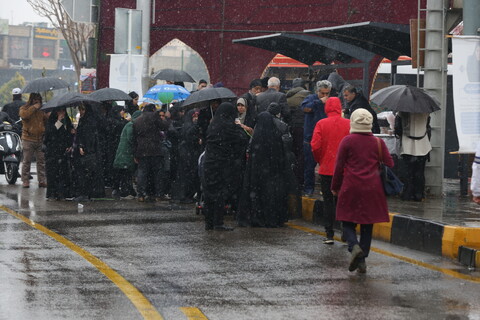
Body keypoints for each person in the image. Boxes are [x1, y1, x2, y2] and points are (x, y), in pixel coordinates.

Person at [332, 108, 393, 273]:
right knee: (367, 224)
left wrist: (335, 187)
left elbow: (338, 167)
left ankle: (354, 247)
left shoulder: (347, 141)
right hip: (373, 188)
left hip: (351, 186)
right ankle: (363, 258)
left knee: (347, 221)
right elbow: (390, 163)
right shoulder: (378, 143)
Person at [237, 112, 289, 228]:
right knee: (271, 195)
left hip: (257, 177)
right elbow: (281, 157)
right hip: (273, 177)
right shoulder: (275, 136)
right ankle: (271, 218)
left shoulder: (257, 137)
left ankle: (257, 217)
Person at [203, 102, 248, 231]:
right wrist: (239, 127)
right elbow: (242, 139)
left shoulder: (212, 125)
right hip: (221, 164)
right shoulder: (228, 126)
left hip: (209, 163)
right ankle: (218, 222)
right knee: (219, 194)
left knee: (209, 193)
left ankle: (209, 222)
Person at [310, 97, 350, 244]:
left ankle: (329, 233)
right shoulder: (348, 124)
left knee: (328, 201)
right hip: (345, 170)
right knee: (343, 202)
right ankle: (346, 233)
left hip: (326, 169)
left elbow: (315, 146)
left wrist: (321, 159)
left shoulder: (321, 124)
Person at [132, 104, 170, 202]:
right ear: (153, 109)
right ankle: (158, 194)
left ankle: (141, 194)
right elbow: (164, 127)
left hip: (141, 150)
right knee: (157, 173)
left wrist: (135, 153)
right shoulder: (155, 117)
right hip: (155, 149)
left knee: (142, 172)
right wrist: (165, 119)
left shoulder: (137, 120)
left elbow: (134, 138)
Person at [301, 80, 331, 195]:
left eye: (327, 93)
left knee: (326, 166)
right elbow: (305, 108)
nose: (325, 96)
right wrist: (319, 102)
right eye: (322, 93)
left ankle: (325, 189)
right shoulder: (310, 99)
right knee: (309, 166)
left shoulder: (331, 101)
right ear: (317, 91)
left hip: (326, 138)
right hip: (310, 138)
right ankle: (309, 189)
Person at [395, 112, 431, 201]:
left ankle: (407, 194)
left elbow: (398, 130)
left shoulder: (401, 113)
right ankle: (419, 194)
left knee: (408, 173)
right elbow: (427, 128)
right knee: (420, 172)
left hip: (407, 146)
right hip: (423, 145)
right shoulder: (426, 113)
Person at [172, 109, 203, 203]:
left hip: (190, 153)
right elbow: (188, 136)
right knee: (187, 175)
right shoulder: (188, 125)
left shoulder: (190, 125)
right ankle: (185, 195)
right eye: (194, 116)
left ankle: (188, 194)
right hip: (187, 153)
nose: (196, 118)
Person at [44, 108, 75, 200]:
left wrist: (70, 142)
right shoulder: (51, 122)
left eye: (63, 112)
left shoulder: (67, 121)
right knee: (53, 173)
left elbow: (68, 133)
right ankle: (52, 193)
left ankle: (64, 193)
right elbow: (50, 133)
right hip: (52, 151)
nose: (62, 114)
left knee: (64, 173)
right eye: (60, 112)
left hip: (63, 151)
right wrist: (58, 121)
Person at [19, 92, 48, 188]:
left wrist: (47, 113)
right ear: (31, 99)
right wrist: (34, 107)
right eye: (35, 99)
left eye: (38, 99)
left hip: (40, 138)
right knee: (27, 161)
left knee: (41, 161)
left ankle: (42, 180)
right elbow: (24, 115)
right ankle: (25, 180)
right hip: (28, 139)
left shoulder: (42, 110)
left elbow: (46, 120)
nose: (37, 101)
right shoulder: (24, 108)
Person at [72, 104, 100, 201]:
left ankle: (84, 194)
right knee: (87, 172)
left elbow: (87, 136)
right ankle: (88, 193)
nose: (81, 111)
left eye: (82, 109)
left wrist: (81, 146)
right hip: (90, 151)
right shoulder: (88, 119)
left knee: (84, 172)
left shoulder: (87, 121)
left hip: (87, 151)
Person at [113, 110, 142, 199]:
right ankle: (125, 192)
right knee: (126, 174)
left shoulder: (130, 125)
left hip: (124, 154)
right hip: (126, 154)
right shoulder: (131, 125)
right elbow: (131, 139)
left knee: (124, 174)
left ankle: (125, 191)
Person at [286, 78, 310, 187]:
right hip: (302, 126)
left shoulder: (288, 96)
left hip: (291, 127)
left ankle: (292, 177)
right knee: (302, 153)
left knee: (293, 151)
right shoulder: (306, 94)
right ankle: (300, 178)